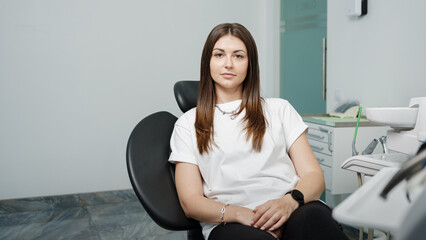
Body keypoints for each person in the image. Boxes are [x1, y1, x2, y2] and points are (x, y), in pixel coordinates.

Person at [169, 23, 348, 240]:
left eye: (238, 56)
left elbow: (314, 176)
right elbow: (191, 201)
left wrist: (288, 202)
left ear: (250, 64)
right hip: (232, 220)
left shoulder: (279, 109)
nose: (228, 63)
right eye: (219, 55)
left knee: (315, 223)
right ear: (208, 61)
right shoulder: (188, 124)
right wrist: (241, 214)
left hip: (294, 207)